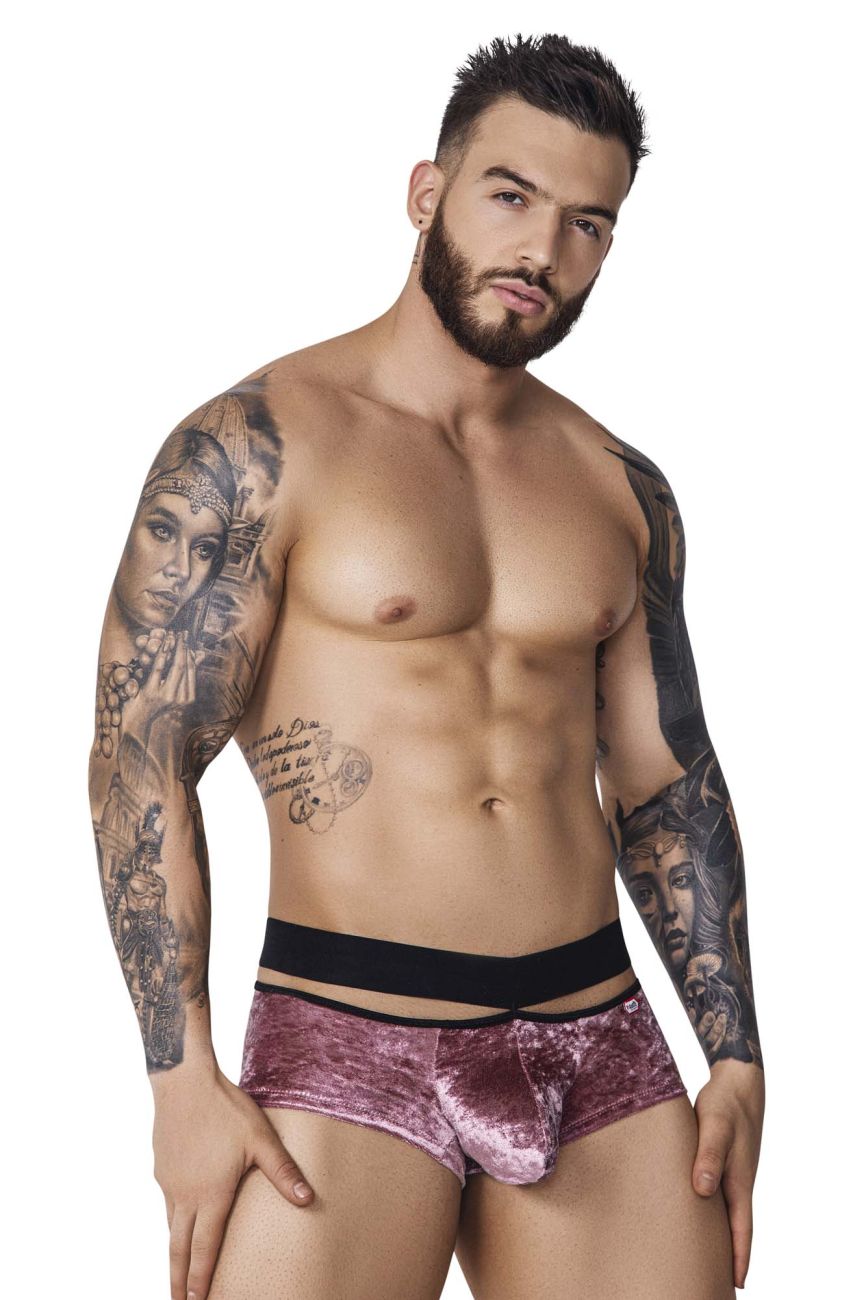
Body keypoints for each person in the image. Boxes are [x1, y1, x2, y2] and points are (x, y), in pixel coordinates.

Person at [88, 32, 765, 1300]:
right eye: (510, 195)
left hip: (598, 1041)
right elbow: (141, 758)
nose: (541, 250)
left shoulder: (619, 486)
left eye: (586, 224)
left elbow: (663, 780)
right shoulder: (257, 445)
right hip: (342, 1034)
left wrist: (732, 1049)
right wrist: (179, 1076)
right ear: (426, 192)